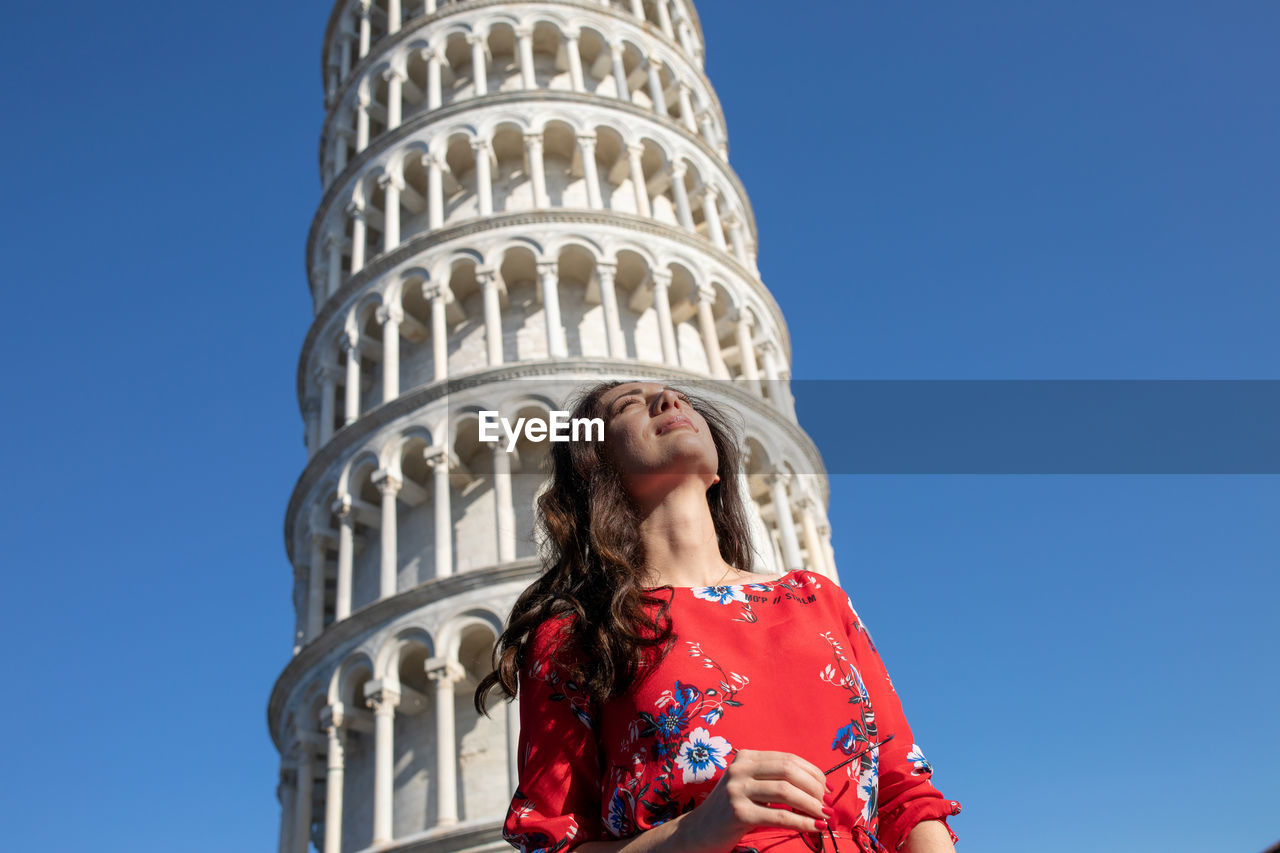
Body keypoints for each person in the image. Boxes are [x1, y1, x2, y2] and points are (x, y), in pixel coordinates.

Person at [475, 380, 961, 853]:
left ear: (717, 473)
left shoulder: (816, 598)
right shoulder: (575, 635)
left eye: (681, 399)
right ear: (593, 465)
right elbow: (553, 843)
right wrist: (693, 833)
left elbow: (906, 793)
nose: (668, 401)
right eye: (629, 405)